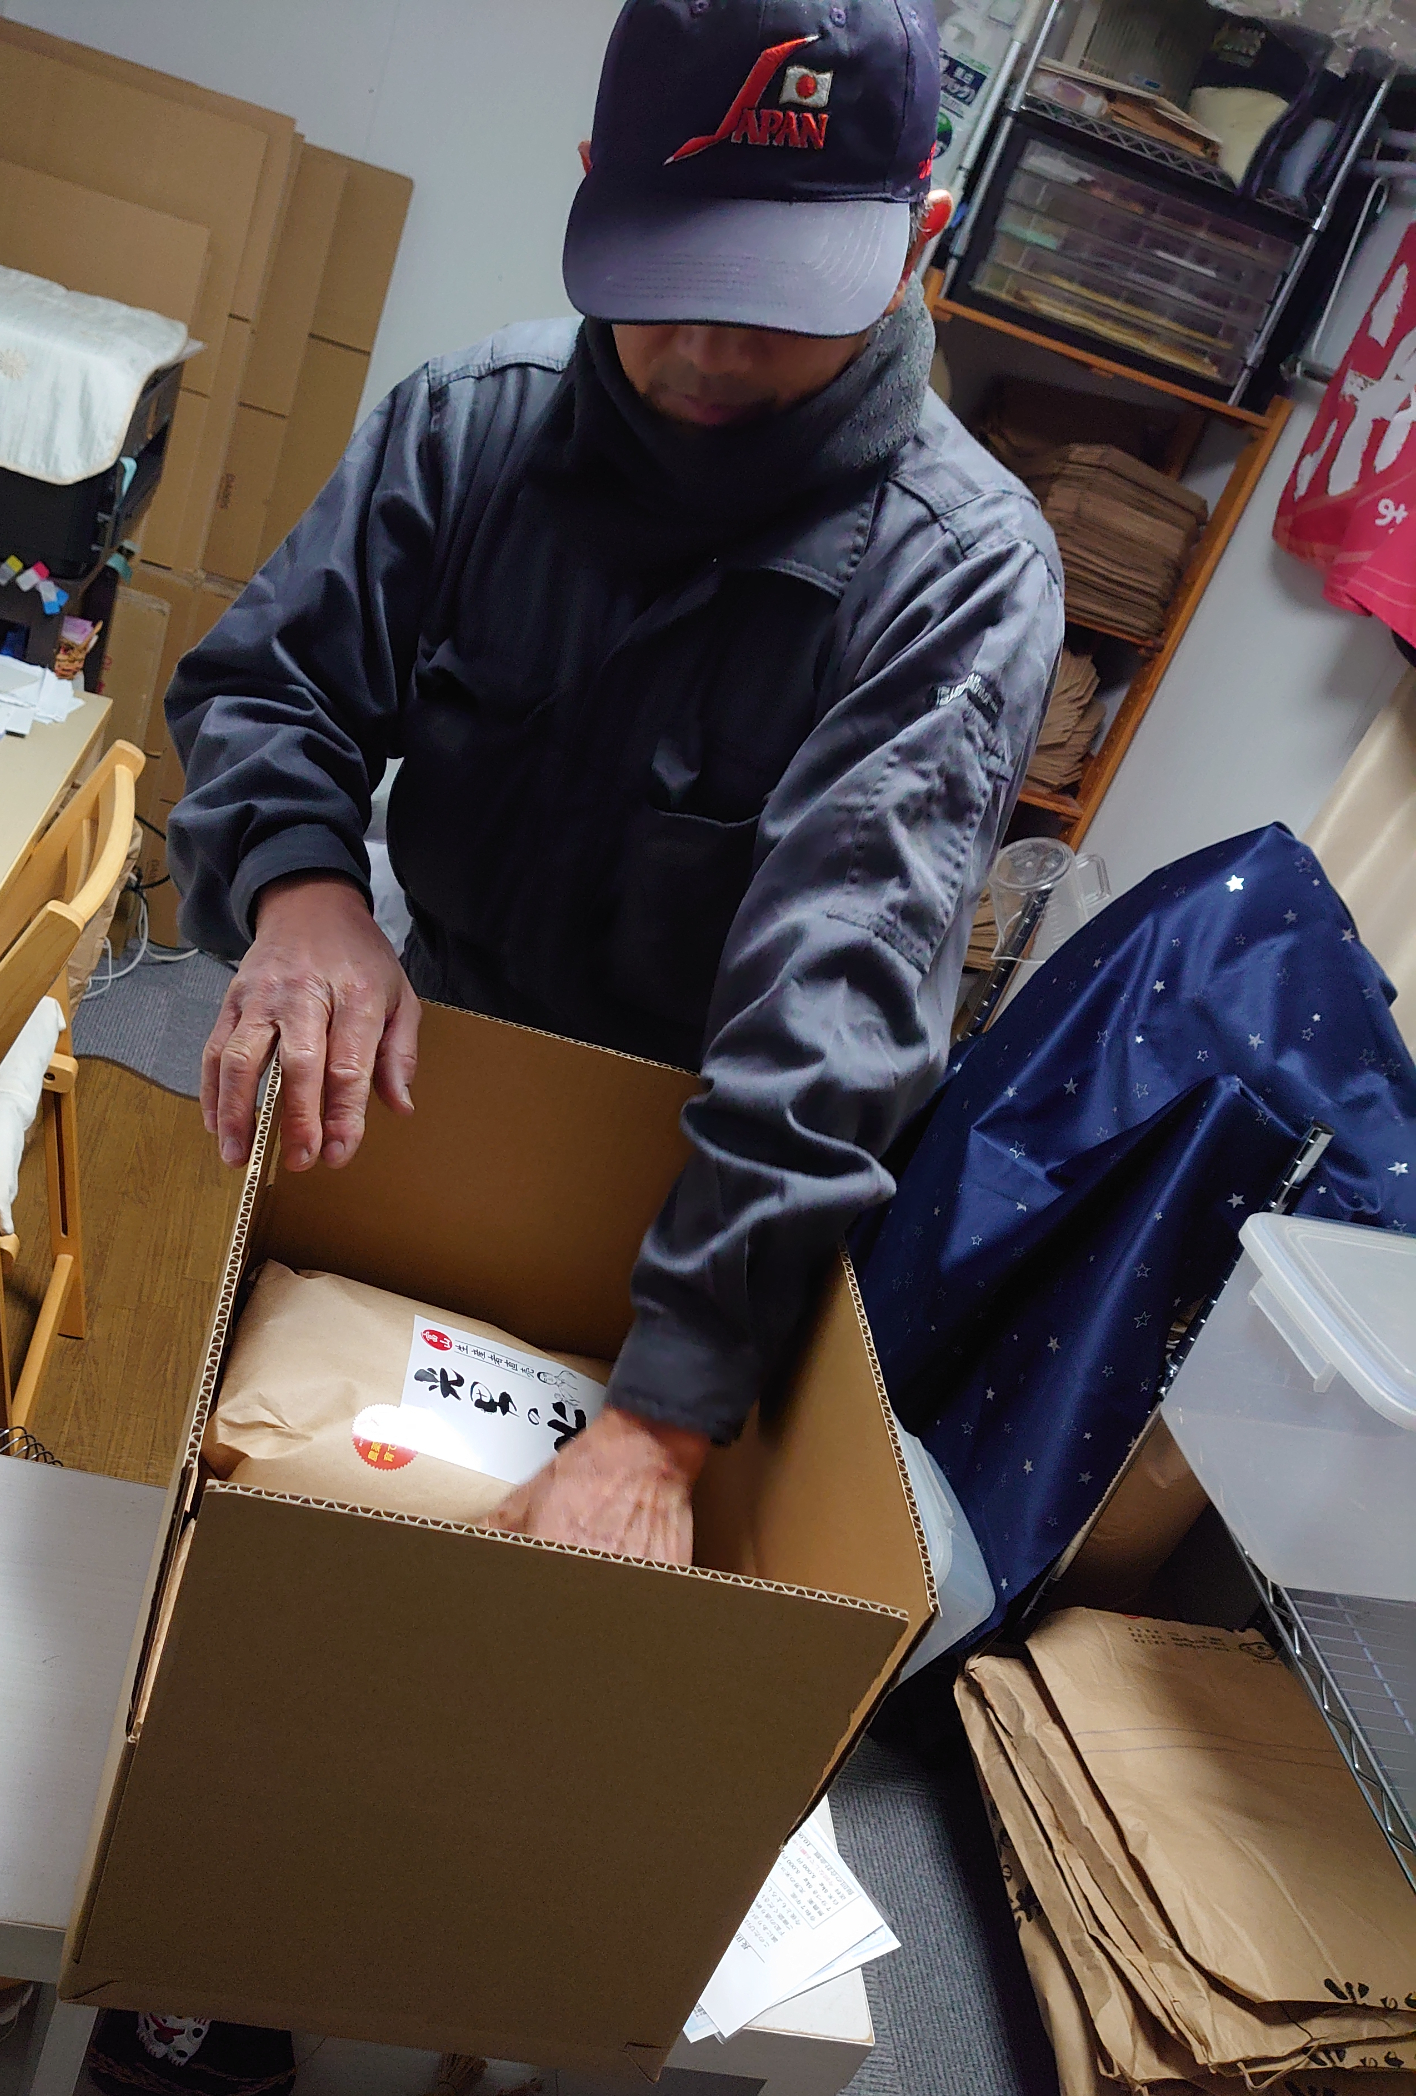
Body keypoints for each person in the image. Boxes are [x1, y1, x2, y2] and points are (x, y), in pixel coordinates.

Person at [165, 0, 1064, 1567]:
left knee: (905, 1577)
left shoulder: (959, 583)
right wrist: (304, 898)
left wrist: (657, 1426)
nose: (709, 348)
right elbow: (271, 683)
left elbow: (831, 1016)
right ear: (595, 182)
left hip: (721, 1185)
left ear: (917, 240)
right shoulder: (470, 430)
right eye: (674, 276)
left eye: (776, 299)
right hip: (434, 1068)